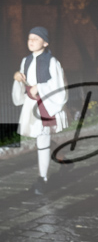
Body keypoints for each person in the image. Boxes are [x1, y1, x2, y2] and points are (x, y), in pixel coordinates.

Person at [12, 27, 68, 195]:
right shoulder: (26, 60)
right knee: (41, 138)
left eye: (36, 38)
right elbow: (24, 81)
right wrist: (17, 77)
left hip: (47, 104)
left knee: (43, 138)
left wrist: (40, 87)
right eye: (30, 38)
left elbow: (59, 85)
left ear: (45, 43)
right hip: (32, 105)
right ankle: (64, 160)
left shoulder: (52, 61)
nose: (31, 41)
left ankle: (42, 180)